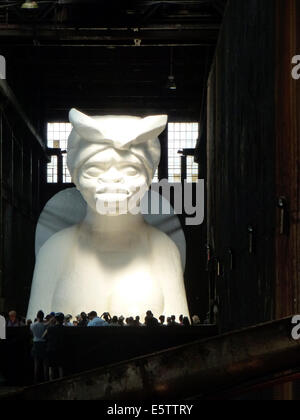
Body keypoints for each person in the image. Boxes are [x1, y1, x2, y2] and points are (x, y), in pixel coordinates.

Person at [45, 313, 65, 381]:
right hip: (60, 349)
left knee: (51, 367)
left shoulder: (50, 328)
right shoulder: (64, 328)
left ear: (56, 319)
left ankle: (51, 381)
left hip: (51, 349)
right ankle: (61, 381)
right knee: (60, 367)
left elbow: (43, 336)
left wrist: (50, 323)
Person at [30, 311, 48, 384]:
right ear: (43, 316)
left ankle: (35, 380)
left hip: (35, 343)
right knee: (45, 363)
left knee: (36, 363)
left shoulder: (32, 325)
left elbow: (31, 333)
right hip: (43, 344)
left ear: (37, 316)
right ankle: (46, 379)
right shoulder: (45, 326)